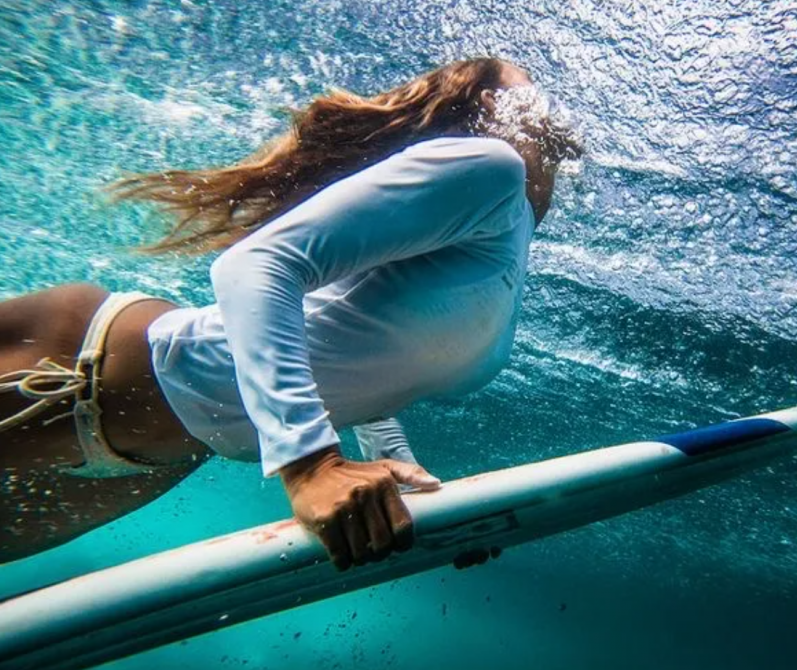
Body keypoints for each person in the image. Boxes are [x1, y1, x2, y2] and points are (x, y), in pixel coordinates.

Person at [0, 57, 582, 568]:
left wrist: (404, 478)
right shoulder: (490, 169)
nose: (559, 118)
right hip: (80, 367)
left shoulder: (505, 233)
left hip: (151, 457)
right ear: (491, 102)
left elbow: (351, 347)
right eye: (538, 92)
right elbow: (252, 266)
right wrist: (310, 463)